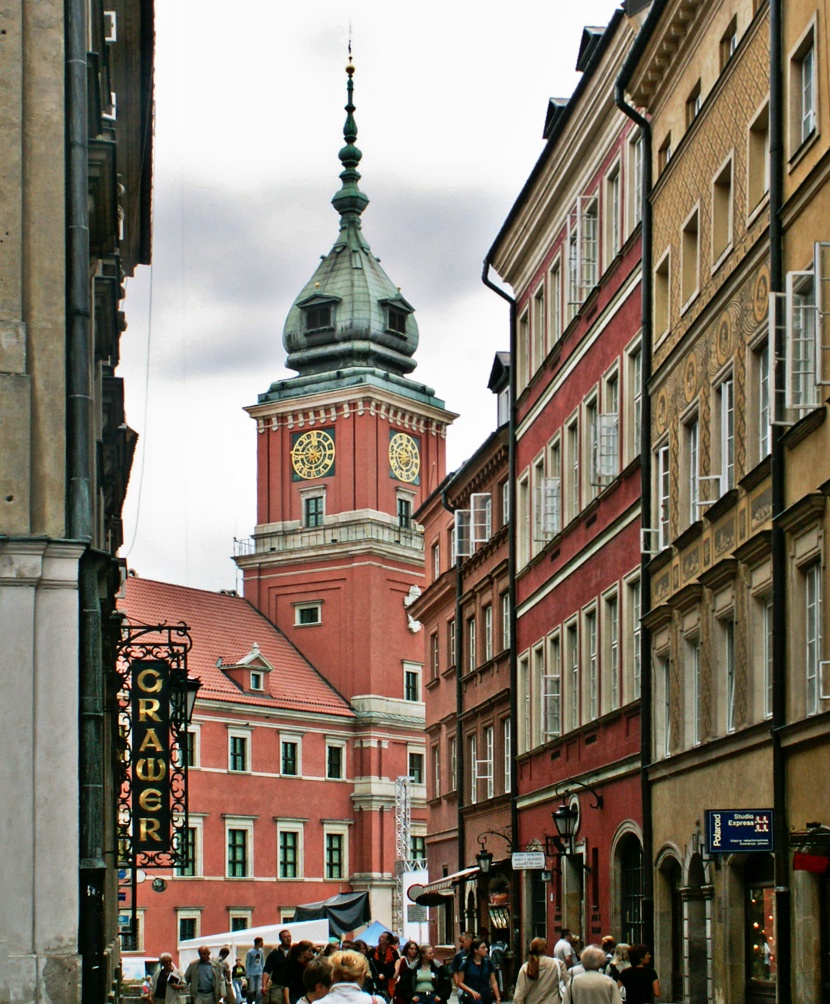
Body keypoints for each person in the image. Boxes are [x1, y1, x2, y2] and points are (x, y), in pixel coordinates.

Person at [512, 938, 569, 1004]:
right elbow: (568, 984)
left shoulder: (525, 968)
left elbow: (519, 995)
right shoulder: (558, 964)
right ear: (545, 949)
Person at [454, 938, 500, 1004]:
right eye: (483, 948)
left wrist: (498, 998)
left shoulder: (488, 963)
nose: (486, 950)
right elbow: (460, 982)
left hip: (486, 996)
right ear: (475, 950)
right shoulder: (466, 964)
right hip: (472, 997)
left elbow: (493, 982)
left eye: (486, 947)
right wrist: (472, 992)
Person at [263, 931, 294, 1003]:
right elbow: (267, 970)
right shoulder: (274, 954)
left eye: (289, 936)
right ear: (280, 939)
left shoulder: (295, 952)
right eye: (285, 937)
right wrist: (264, 985)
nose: (288, 939)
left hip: (293, 987)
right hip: (278, 986)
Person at [371, 933, 399, 1000]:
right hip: (376, 979)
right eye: (380, 936)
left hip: (389, 979)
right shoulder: (373, 951)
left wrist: (385, 975)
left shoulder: (393, 952)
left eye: (383, 937)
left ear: (388, 941)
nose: (380, 938)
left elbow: (394, 967)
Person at [247, 938, 266, 1004]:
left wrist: (263, 972)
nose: (262, 944)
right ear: (258, 943)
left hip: (259, 972)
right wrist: (247, 975)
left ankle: (258, 1003)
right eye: (261, 942)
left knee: (259, 990)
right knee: (251, 990)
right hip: (252, 973)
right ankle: (249, 1001)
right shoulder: (250, 952)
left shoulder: (261, 951)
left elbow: (262, 962)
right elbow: (247, 963)